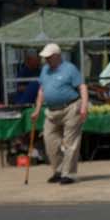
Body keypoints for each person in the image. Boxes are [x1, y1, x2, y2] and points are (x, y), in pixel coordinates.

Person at [28, 42, 88, 186]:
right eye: (45, 57)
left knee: (70, 143)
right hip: (51, 111)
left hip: (71, 107)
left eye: (48, 57)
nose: (46, 60)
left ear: (57, 56)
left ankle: (69, 174)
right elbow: (42, 90)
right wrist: (37, 109)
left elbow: (82, 87)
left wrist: (84, 107)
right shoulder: (45, 70)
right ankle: (58, 170)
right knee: (50, 141)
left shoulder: (70, 69)